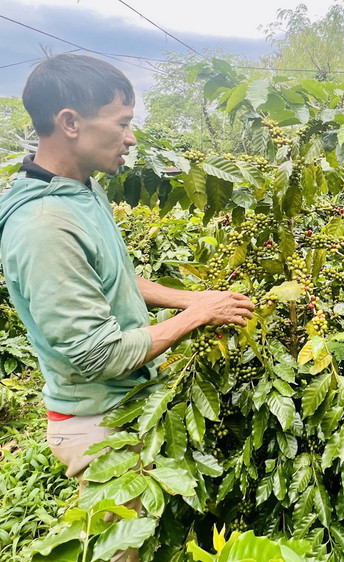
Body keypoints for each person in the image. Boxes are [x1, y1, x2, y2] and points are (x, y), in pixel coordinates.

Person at [0, 54, 254, 558]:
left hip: (125, 406)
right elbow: (98, 355)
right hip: (99, 426)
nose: (132, 138)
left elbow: (113, 277)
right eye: (123, 123)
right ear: (70, 122)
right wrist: (195, 317)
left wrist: (192, 298)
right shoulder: (44, 225)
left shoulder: (78, 191)